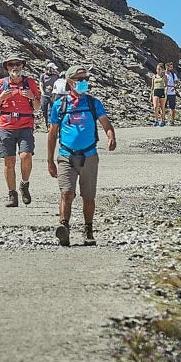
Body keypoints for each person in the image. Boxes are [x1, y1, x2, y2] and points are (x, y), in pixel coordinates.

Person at [47, 64, 117, 246]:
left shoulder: (94, 103)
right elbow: (52, 133)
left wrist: (111, 137)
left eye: (86, 79)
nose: (84, 82)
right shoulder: (59, 105)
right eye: (80, 80)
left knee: (88, 197)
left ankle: (88, 229)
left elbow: (106, 124)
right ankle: (64, 227)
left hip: (90, 155)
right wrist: (49, 160)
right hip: (66, 156)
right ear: (70, 82)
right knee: (67, 193)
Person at [0, 55, 41, 207]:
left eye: (18, 64)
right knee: (9, 160)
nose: (15, 67)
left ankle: (24, 184)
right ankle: (12, 194)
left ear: (22, 66)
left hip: (25, 124)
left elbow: (38, 107)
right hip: (6, 126)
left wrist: (32, 97)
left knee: (26, 156)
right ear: (7, 67)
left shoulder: (30, 82)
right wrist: (1, 97)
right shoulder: (1, 83)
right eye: (11, 64)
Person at [40, 62, 60, 129]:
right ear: (49, 68)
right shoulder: (43, 76)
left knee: (50, 110)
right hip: (44, 96)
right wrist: (42, 92)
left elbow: (58, 84)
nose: (54, 70)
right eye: (53, 69)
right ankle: (46, 124)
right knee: (44, 110)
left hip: (52, 96)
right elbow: (41, 84)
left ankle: (50, 126)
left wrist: (54, 90)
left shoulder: (56, 76)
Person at [150, 63, 167, 127]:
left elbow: (166, 85)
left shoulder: (164, 76)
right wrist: (150, 94)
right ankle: (156, 120)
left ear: (162, 70)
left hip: (162, 91)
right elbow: (152, 86)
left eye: (159, 69)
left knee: (162, 107)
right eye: (157, 69)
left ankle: (162, 121)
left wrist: (165, 91)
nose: (158, 70)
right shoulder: (154, 77)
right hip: (155, 91)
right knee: (155, 106)